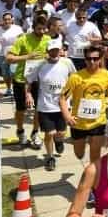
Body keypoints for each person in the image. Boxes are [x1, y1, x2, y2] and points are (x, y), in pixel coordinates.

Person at [25, 38, 77, 171]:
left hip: (63, 105)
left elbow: (75, 78)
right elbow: (29, 80)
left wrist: (74, 95)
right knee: (49, 134)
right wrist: (28, 94)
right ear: (47, 51)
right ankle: (49, 157)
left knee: (60, 133)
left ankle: (59, 141)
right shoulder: (40, 65)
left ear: (60, 50)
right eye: (51, 50)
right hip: (45, 105)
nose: (54, 53)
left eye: (57, 50)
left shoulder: (67, 62)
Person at [60, 45, 108, 165]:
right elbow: (62, 98)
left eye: (95, 59)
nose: (92, 61)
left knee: (95, 158)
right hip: (78, 123)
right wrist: (67, 116)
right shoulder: (75, 77)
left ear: (100, 59)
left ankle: (93, 181)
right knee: (79, 154)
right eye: (88, 59)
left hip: (98, 121)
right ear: (84, 59)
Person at [6, 15, 51, 148]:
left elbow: (54, 54)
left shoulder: (48, 39)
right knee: (21, 109)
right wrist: (27, 56)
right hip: (21, 79)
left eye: (44, 29)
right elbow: (8, 58)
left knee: (39, 108)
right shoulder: (23, 39)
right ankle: (20, 131)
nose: (42, 32)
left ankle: (35, 133)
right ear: (33, 28)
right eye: (39, 29)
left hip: (40, 80)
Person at [0, 11, 23, 96]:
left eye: (9, 19)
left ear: (12, 20)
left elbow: (21, 39)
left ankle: (16, 88)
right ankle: (9, 89)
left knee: (13, 72)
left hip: (15, 54)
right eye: (5, 19)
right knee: (5, 74)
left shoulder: (17, 28)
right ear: (2, 20)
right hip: (2, 54)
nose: (7, 21)